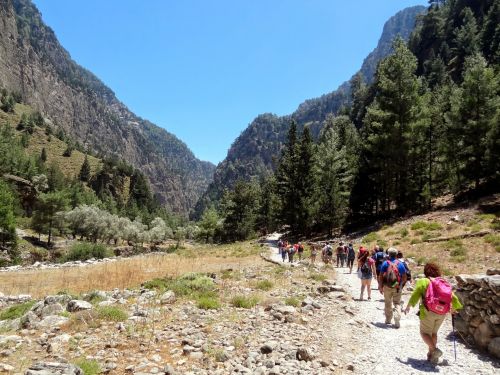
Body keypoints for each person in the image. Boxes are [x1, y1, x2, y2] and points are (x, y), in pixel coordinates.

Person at [404, 262, 462, 364]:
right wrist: (454, 308)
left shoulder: (423, 281)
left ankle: (435, 350)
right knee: (433, 333)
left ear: (425, 271)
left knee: (424, 333)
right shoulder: (442, 282)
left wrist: (408, 306)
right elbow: (453, 296)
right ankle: (431, 356)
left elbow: (415, 295)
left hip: (428, 312)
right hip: (442, 313)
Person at [378, 247, 407, 328]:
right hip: (397, 286)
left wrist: (380, 286)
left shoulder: (385, 263)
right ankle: (397, 319)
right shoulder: (400, 264)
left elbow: (380, 276)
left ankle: (388, 320)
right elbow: (404, 277)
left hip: (387, 286)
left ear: (388, 254)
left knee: (388, 302)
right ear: (396, 254)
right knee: (397, 303)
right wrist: (401, 285)